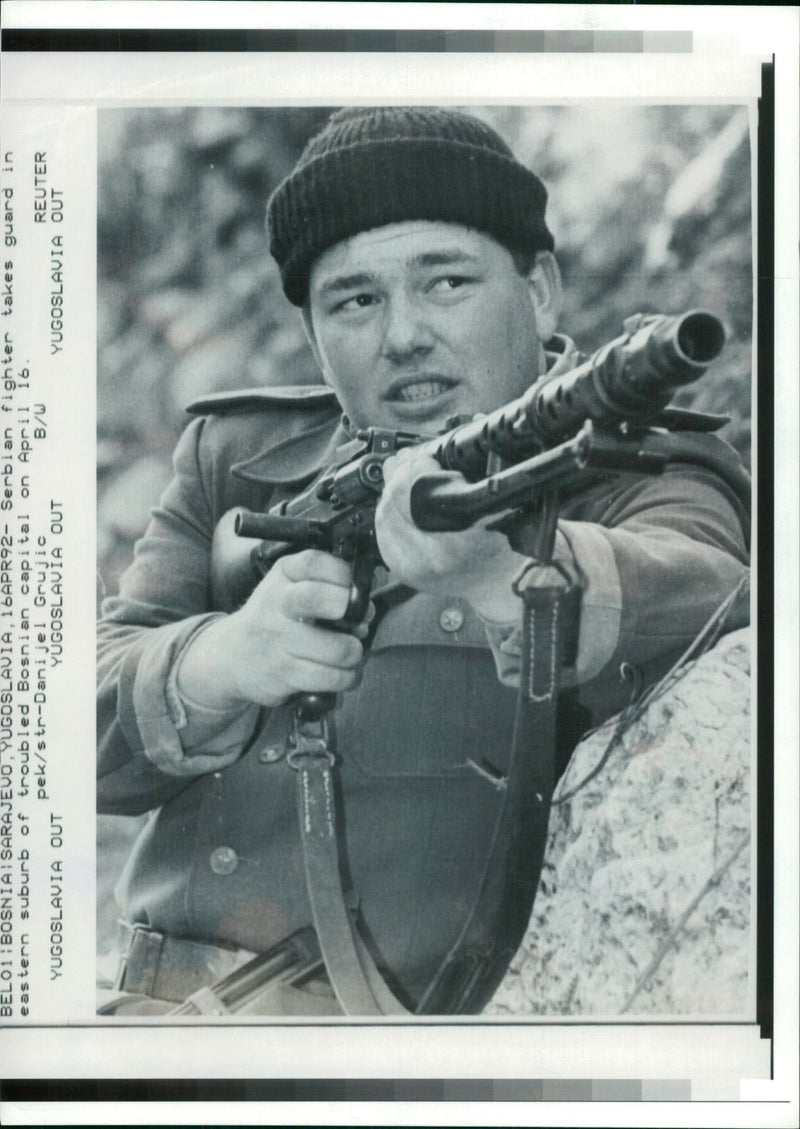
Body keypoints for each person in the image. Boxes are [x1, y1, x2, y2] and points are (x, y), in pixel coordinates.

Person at [97, 107, 750, 1016]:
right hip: (150, 1024)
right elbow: (65, 741)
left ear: (542, 290)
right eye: (356, 300)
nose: (403, 334)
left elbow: (714, 604)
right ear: (314, 334)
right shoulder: (235, 452)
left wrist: (499, 573)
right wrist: (220, 662)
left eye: (446, 282)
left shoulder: (639, 461)